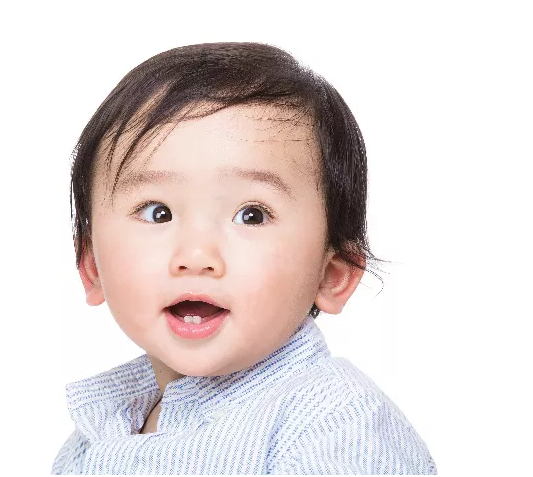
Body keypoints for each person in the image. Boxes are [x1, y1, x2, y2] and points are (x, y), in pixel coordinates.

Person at [52, 42, 437, 475]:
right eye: (157, 212)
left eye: (251, 215)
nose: (196, 256)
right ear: (92, 267)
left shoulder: (334, 422)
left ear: (331, 276)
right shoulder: (96, 431)